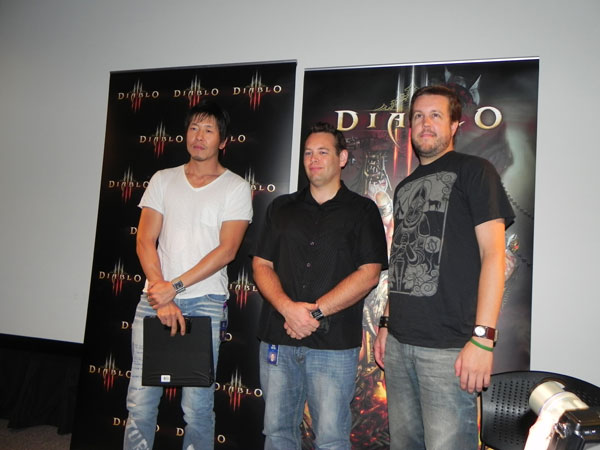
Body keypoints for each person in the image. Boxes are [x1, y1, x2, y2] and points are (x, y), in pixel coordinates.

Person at [374, 85, 515, 450]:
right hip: (399, 345)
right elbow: (403, 258)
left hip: (449, 349)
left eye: (436, 115)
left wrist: (483, 338)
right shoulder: (405, 187)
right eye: (418, 116)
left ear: (454, 125)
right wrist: (386, 324)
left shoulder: (476, 171)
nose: (425, 123)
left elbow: (494, 255)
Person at [123, 99, 253, 450]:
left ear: (223, 141)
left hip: (205, 302)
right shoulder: (163, 180)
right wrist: (161, 293)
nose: (199, 136)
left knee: (197, 408)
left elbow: (227, 249)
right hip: (154, 301)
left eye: (209, 130)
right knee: (140, 402)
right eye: (194, 128)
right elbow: (144, 240)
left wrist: (175, 288)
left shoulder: (236, 187)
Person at [252, 122, 388, 450]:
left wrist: (313, 312)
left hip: (334, 346)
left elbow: (370, 273)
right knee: (277, 433)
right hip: (278, 339)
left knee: (331, 438)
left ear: (342, 158)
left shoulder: (363, 210)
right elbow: (261, 265)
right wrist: (288, 309)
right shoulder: (280, 208)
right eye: (308, 153)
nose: (313, 159)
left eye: (323, 152)